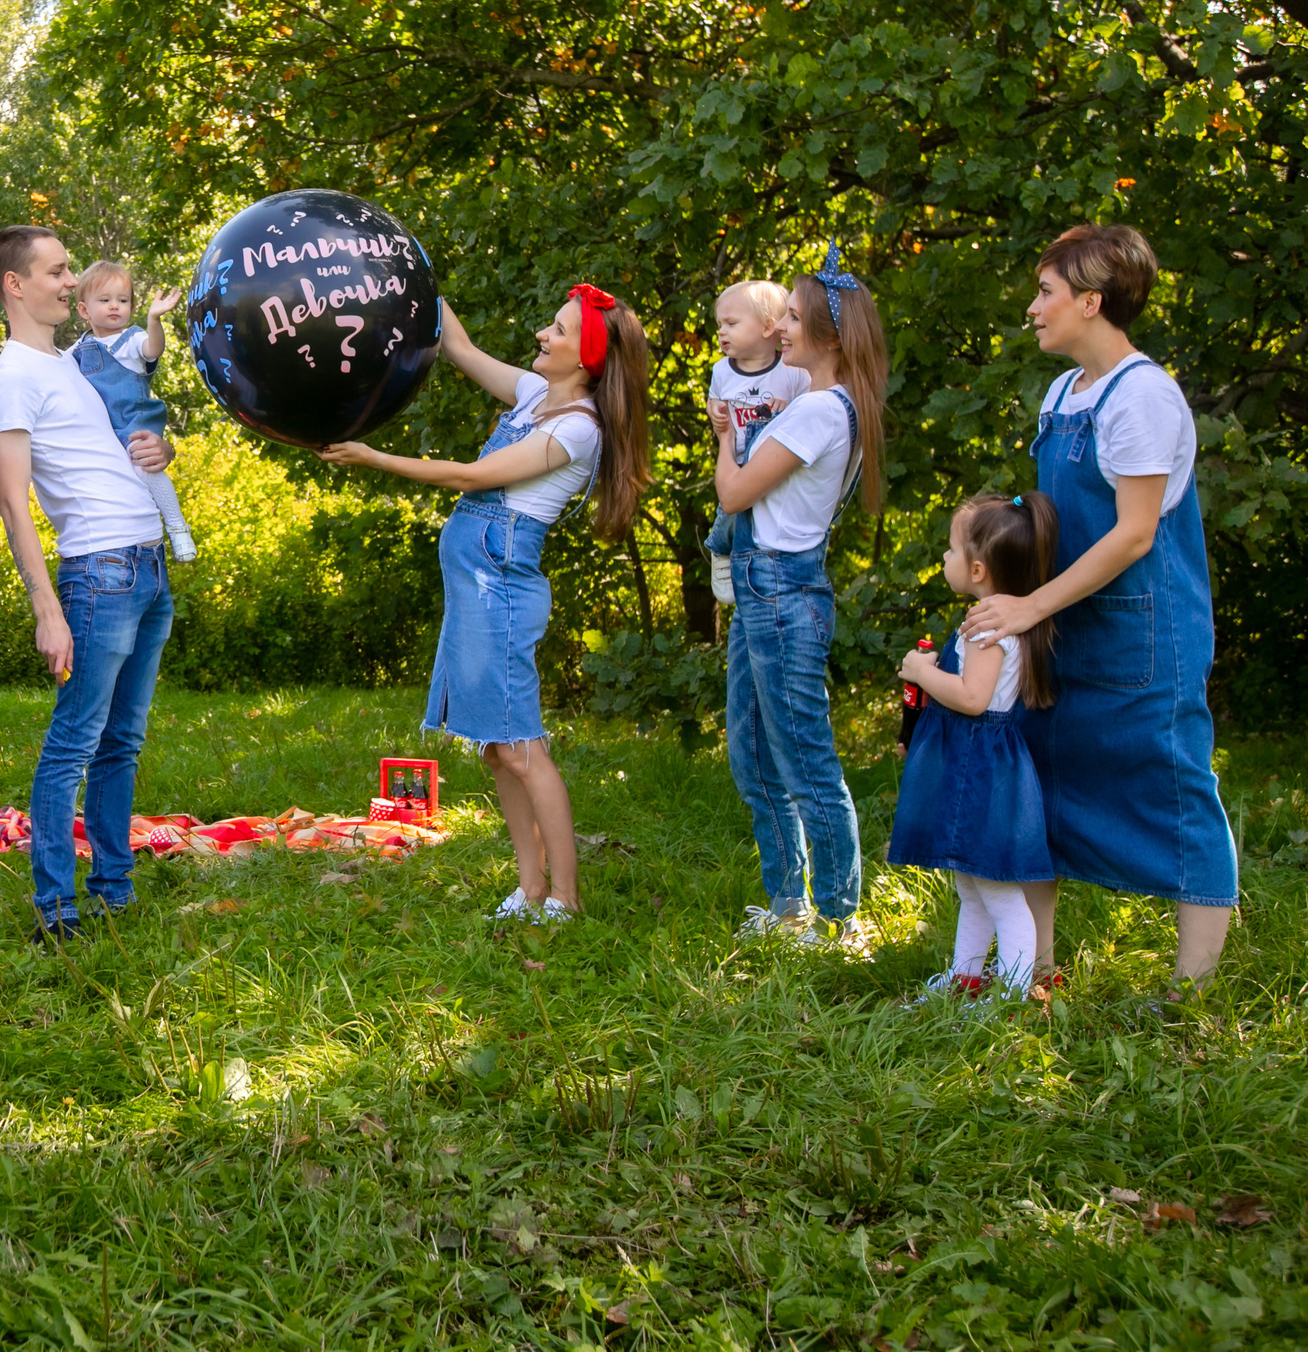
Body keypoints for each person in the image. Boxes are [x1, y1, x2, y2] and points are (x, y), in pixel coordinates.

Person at [321, 287, 652, 920]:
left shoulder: (577, 429)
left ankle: (565, 897)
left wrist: (373, 457)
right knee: (496, 748)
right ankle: (530, 890)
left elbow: (475, 477)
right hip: (477, 585)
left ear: (585, 356)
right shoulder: (535, 396)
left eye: (557, 332)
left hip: (500, 587)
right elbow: (461, 348)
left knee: (523, 747)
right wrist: (411, 283)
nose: (542, 336)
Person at [964, 224, 1235, 985]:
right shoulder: (1062, 393)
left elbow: (1134, 536)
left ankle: (1193, 986)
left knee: (1172, 785)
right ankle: (1037, 966)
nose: (1033, 307)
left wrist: (1026, 609)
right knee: (1042, 784)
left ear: (1090, 301)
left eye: (1046, 292)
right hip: (1065, 626)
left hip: (1144, 631)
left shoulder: (1142, 394)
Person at [0, 225, 178, 941]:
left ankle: (114, 890)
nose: (71, 282)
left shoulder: (74, 362)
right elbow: (11, 499)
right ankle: (55, 910)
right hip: (98, 573)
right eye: (59, 271)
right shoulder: (11, 376)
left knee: (121, 743)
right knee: (74, 742)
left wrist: (161, 446)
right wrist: (46, 608)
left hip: (146, 566)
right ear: (15, 283)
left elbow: (132, 425)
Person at [706, 246, 886, 948]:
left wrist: (726, 436)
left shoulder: (820, 412)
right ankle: (787, 903)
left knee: (805, 756)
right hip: (763, 585)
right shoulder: (813, 402)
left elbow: (735, 491)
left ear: (832, 337)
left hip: (781, 588)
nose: (782, 328)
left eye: (796, 319)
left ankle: (841, 917)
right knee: (752, 752)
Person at [890, 493, 1060, 997]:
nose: (944, 560)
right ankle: (966, 978)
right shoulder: (990, 622)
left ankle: (1010, 995)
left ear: (979, 569)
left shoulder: (986, 631)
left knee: (999, 890)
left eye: (951, 551)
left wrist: (922, 671)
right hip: (973, 761)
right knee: (971, 883)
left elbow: (972, 698)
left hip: (981, 769)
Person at [70, 259, 196, 562]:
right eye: (105, 300)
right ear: (84, 310)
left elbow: (153, 349)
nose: (115, 306)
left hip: (133, 421)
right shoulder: (77, 350)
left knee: (146, 467)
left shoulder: (131, 339)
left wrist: (154, 319)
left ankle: (177, 527)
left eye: (123, 300)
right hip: (104, 431)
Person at [703, 279, 808, 606]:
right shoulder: (722, 371)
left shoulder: (791, 371)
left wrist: (786, 409)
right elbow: (713, 402)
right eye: (720, 324)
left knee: (762, 519)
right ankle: (720, 549)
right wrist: (715, 413)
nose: (722, 332)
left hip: (774, 465)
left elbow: (808, 408)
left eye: (731, 324)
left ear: (766, 328)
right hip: (736, 463)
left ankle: (754, 565)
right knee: (730, 510)